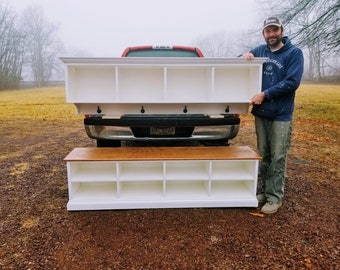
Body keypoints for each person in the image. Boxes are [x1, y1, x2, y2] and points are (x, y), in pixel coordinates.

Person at [243, 16, 304, 214]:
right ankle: (265, 191)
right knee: (264, 155)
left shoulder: (294, 53)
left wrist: (265, 94)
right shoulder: (260, 51)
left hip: (281, 114)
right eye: (268, 31)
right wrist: (245, 57)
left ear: (281, 31)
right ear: (264, 33)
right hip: (262, 113)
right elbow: (238, 65)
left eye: (275, 30)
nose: (272, 34)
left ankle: (275, 197)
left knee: (278, 156)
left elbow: (292, 82)